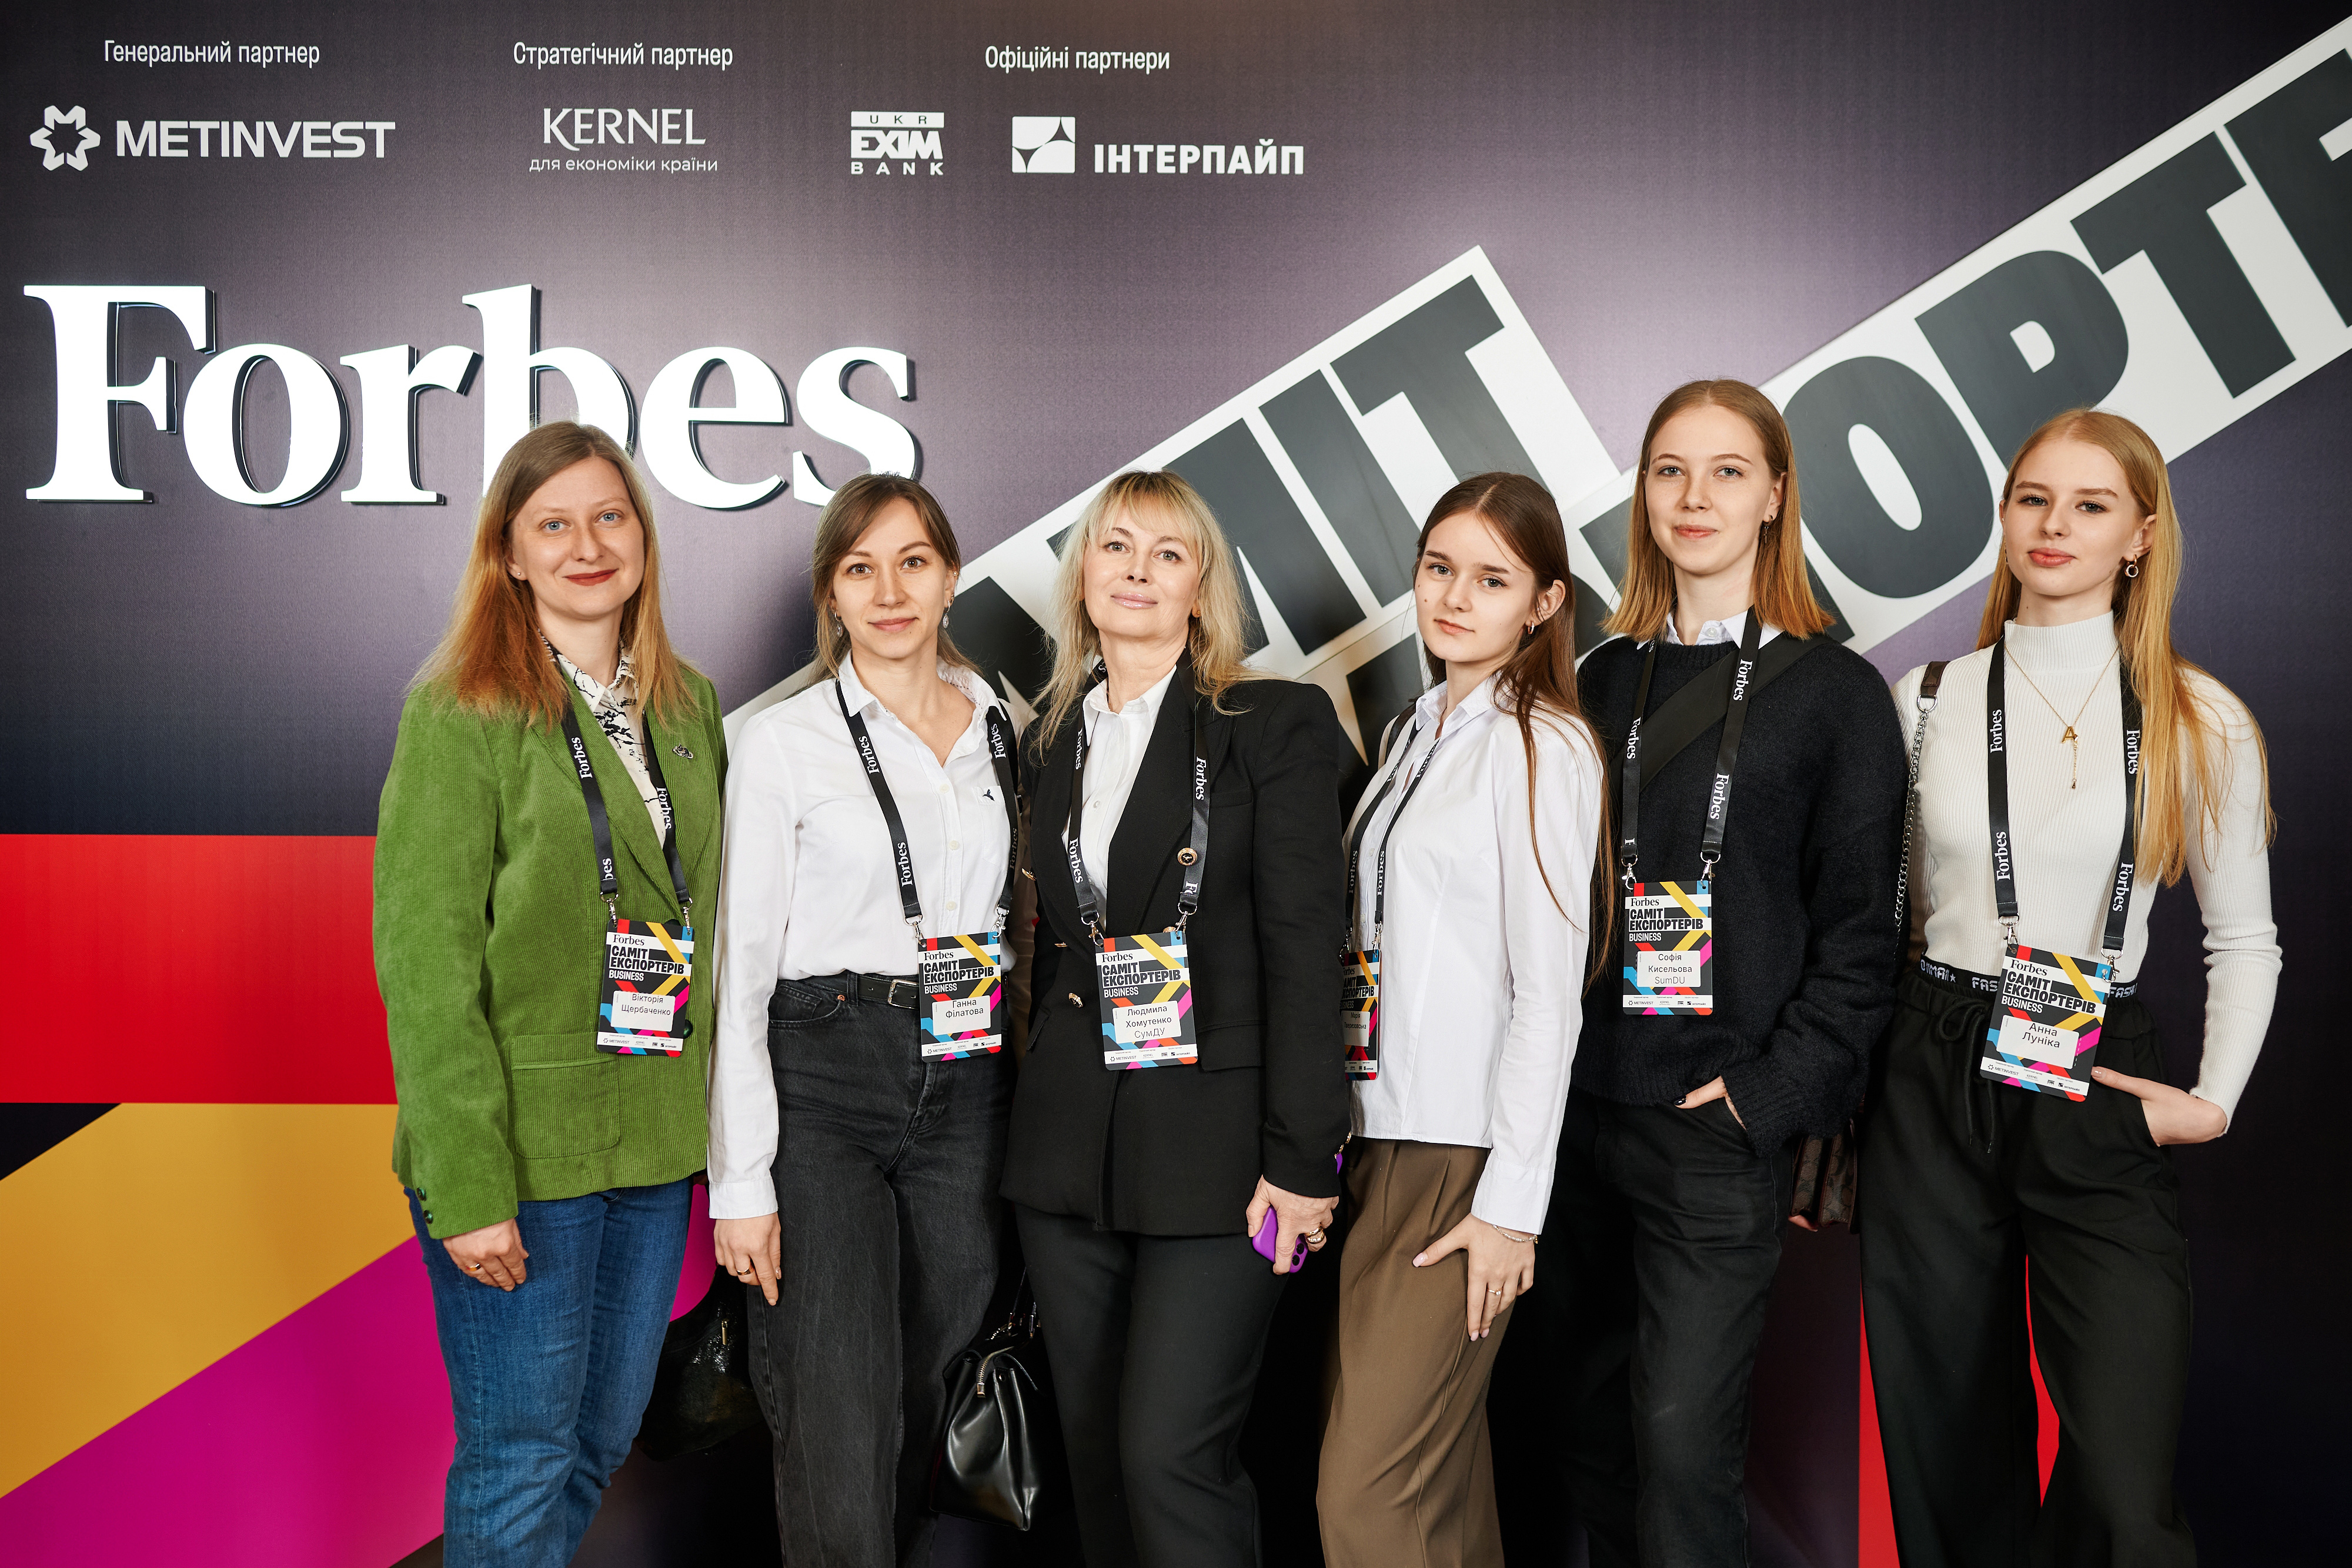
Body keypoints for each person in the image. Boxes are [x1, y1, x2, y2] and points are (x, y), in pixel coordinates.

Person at [1491, 379, 1908, 1566]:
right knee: (1583, 1432)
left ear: (1774, 495)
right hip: (1573, 1119)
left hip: (1711, 1132)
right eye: (1670, 469)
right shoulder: (1594, 678)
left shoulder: (1834, 694)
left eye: (1728, 471)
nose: (1694, 496)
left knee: (1681, 1450)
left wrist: (1760, 1100)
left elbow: (1862, 939)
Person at [1861, 409, 2278, 1567]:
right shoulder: (1925, 697)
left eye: (2090, 505)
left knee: (2121, 1483)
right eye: (2032, 498)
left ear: (2139, 534)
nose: (2054, 525)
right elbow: (1888, 921)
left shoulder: (2199, 716)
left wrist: (2211, 1101)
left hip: (2092, 1059)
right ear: (2003, 515)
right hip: (1934, 1052)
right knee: (1947, 1456)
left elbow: (2244, 937)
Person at [375, 420, 726, 1566]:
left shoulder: (688, 706)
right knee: (520, 1453)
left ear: (642, 538)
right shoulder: (462, 710)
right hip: (521, 1156)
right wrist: (467, 1187)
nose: (588, 545)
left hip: (652, 1144)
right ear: (510, 554)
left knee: (596, 1441)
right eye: (555, 524)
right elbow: (425, 967)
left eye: (609, 517)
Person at [1003, 469, 1351, 1568]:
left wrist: (1304, 1160)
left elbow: (1307, 955)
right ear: (1083, 578)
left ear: (1202, 587)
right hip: (1069, 1158)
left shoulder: (1274, 722)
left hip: (1225, 1162)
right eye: (1116, 548)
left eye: (1168, 553)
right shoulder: (1051, 737)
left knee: (1170, 1458)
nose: (1138, 571)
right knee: (1100, 1464)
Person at [709, 474, 1020, 1566]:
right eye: (860, 568)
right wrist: (742, 1182)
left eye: (913, 563)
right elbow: (742, 967)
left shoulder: (1001, 723)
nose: (889, 592)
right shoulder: (784, 742)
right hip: (827, 1072)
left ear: (951, 579)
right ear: (830, 595)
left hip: (967, 1080)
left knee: (925, 1398)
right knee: (837, 1404)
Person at [1316, 473, 1607, 1567]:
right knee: (1433, 1489)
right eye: (1440, 569)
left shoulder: (1542, 744)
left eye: (1491, 579)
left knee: (1367, 1494)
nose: (1454, 597)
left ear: (1543, 602)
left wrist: (1511, 1212)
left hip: (1459, 1158)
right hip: (1374, 1138)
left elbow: (1548, 993)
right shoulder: (1415, 726)